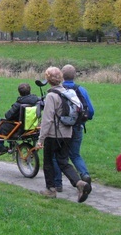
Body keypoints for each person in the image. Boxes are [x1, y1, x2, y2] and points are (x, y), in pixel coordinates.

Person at [35, 66, 92, 203]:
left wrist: (40, 138)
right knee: (63, 161)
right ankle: (79, 183)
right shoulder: (69, 93)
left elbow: (47, 119)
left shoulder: (51, 96)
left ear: (48, 80)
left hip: (53, 134)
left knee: (48, 162)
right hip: (67, 133)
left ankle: (51, 189)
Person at [52, 64, 94, 191]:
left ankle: (57, 183)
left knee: (56, 155)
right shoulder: (81, 90)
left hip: (61, 128)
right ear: (74, 75)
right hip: (77, 127)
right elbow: (90, 111)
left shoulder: (58, 90)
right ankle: (84, 175)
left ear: (61, 75)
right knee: (75, 154)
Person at [0, 83, 40, 156]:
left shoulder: (19, 103)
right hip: (32, 126)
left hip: (19, 128)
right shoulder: (36, 100)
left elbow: (8, 116)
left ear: (19, 92)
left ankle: (1, 148)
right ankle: (11, 144)